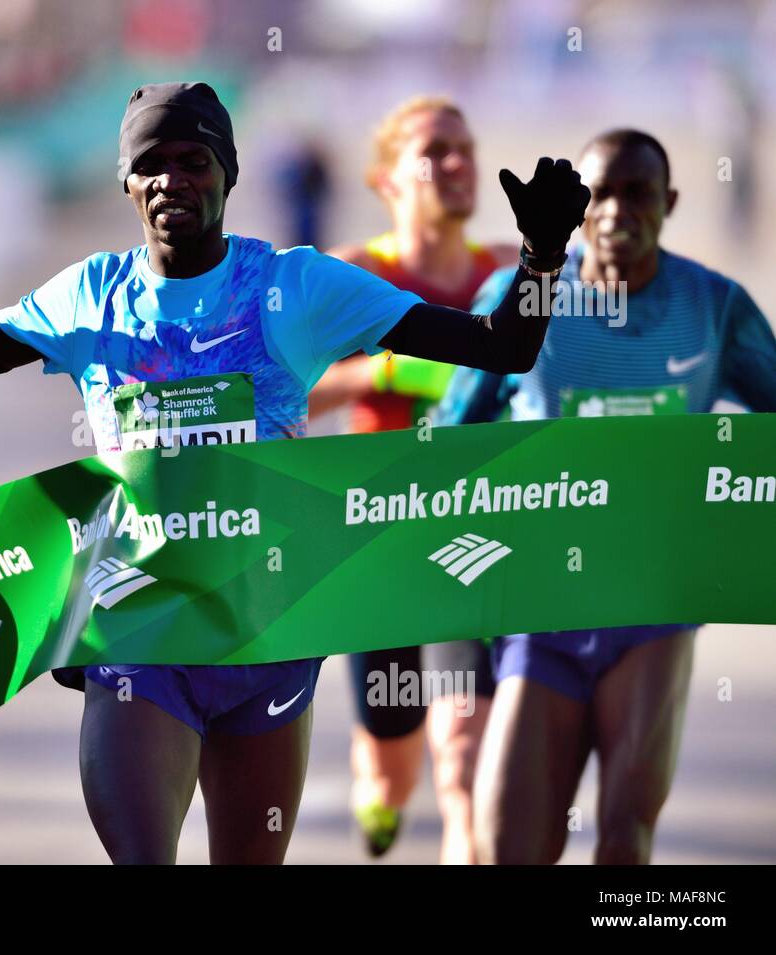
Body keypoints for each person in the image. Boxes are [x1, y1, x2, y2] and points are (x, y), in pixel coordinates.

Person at [0, 81, 589, 864]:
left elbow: (496, 346)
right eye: (150, 163)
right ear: (126, 181)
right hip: (138, 635)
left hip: (267, 634)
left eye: (194, 160)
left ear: (228, 173)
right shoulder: (91, 295)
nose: (171, 179)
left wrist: (542, 256)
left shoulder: (295, 286)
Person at [437, 128, 776, 864]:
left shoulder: (713, 307)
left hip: (652, 610)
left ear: (671, 203)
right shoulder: (524, 298)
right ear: (576, 208)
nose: (618, 210)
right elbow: (450, 434)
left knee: (623, 839)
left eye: (639, 192)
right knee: (508, 847)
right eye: (600, 193)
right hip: (541, 605)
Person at [309, 96, 514, 862]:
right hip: (381, 544)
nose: (458, 163)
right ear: (385, 179)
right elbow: (281, 393)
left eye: (465, 147)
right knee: (390, 762)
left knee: (461, 752)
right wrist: (390, 368)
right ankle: (380, 798)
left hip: (482, 534)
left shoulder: (509, 274)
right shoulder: (352, 274)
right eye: (434, 150)